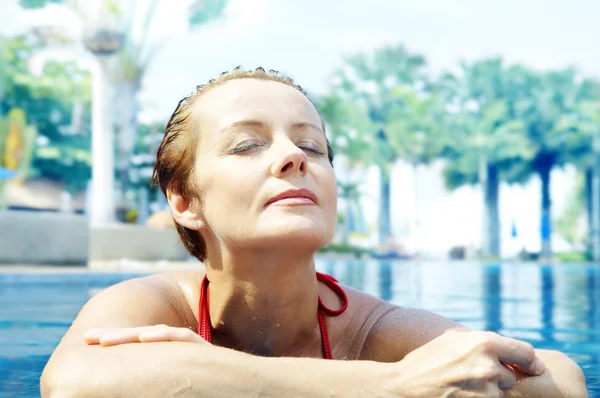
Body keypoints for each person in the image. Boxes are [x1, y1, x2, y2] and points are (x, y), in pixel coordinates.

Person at [41, 67, 587, 397]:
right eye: (247, 145)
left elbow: (561, 380)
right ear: (185, 202)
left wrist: (203, 376)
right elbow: (72, 384)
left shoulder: (372, 331)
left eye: (311, 146)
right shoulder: (156, 303)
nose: (292, 159)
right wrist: (392, 387)